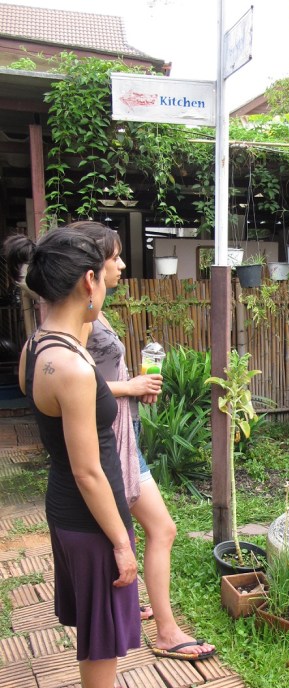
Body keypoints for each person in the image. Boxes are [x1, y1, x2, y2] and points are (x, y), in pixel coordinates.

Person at [7, 227, 160, 688]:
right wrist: (121, 542)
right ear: (88, 281)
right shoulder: (70, 365)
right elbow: (88, 470)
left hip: (66, 506)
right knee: (103, 623)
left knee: (96, 611)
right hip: (88, 509)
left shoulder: (37, 348)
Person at [69, 222, 214, 661]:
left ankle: (140, 610)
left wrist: (132, 388)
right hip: (106, 443)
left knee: (156, 529)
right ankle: (167, 633)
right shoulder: (79, 315)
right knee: (161, 529)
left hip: (120, 437)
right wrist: (128, 389)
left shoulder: (93, 309)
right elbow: (76, 384)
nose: (123, 264)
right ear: (92, 268)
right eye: (114, 257)